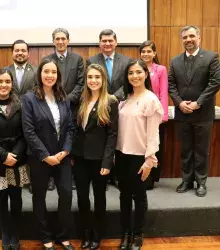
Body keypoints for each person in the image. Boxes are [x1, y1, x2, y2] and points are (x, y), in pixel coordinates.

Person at [22, 59, 75, 250]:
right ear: (40, 74)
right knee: (39, 197)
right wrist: (46, 156)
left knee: (67, 194)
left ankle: (63, 235)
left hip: (62, 156)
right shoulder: (29, 98)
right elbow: (28, 131)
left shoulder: (64, 97)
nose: (50, 75)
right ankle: (45, 237)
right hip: (39, 158)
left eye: (54, 72)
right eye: (46, 71)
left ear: (58, 75)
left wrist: (66, 150)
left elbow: (70, 128)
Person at [168, 25, 220, 197]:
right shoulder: (175, 61)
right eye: (185, 37)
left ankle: (201, 182)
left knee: (201, 150)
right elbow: (171, 85)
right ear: (182, 40)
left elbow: (215, 82)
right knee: (185, 149)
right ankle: (186, 180)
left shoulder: (211, 57)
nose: (188, 40)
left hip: (202, 113)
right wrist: (179, 103)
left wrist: (198, 103)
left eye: (191, 36)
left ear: (199, 38)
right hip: (182, 113)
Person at [115, 60, 163, 250]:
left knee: (139, 197)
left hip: (140, 157)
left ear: (146, 74)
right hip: (122, 155)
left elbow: (153, 134)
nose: (134, 76)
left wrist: (150, 160)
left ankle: (138, 235)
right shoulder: (125, 98)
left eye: (138, 72)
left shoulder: (151, 100)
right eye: (131, 73)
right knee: (124, 196)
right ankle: (126, 233)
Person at [72, 64, 118, 250]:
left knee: (99, 199)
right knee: (83, 198)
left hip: (99, 160)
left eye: (97, 77)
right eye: (90, 77)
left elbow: (113, 135)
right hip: (80, 159)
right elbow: (76, 130)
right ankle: (85, 234)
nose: (93, 80)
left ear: (103, 79)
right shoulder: (82, 100)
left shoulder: (111, 101)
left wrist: (108, 161)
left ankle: (97, 235)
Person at [87, 29, 130, 188]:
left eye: (110, 40)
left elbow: (127, 84)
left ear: (116, 42)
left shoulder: (126, 61)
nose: (107, 43)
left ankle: (116, 175)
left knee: (117, 139)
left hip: (120, 105)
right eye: (104, 41)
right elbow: (91, 82)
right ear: (100, 43)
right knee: (102, 139)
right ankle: (103, 175)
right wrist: (103, 99)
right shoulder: (91, 60)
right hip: (97, 107)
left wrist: (112, 99)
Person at [43, 28, 84, 191]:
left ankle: (70, 176)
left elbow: (81, 84)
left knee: (70, 143)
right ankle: (52, 177)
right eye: (57, 39)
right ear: (53, 41)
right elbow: (45, 82)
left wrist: (65, 101)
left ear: (68, 41)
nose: (60, 41)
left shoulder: (77, 59)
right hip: (50, 109)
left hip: (71, 109)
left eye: (63, 39)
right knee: (52, 141)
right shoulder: (47, 59)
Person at [0, 68, 29, 250]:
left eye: (7, 82)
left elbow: (26, 133)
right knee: (1, 200)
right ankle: (5, 233)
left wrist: (14, 155)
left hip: (17, 161)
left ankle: (16, 233)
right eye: (0, 82)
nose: (3, 85)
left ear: (12, 84)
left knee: (16, 199)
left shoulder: (20, 104)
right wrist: (3, 156)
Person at [8, 39, 37, 194]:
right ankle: (12, 183)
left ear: (28, 53)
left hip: (31, 116)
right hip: (10, 119)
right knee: (14, 149)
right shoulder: (5, 71)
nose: (20, 53)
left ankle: (32, 181)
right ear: (12, 52)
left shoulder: (36, 71)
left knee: (31, 150)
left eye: (23, 50)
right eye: (17, 50)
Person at [139, 40, 168, 189]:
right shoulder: (137, 68)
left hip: (155, 115)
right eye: (143, 51)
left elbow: (163, 92)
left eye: (149, 51)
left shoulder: (161, 69)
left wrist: (162, 116)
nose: (146, 54)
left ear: (154, 53)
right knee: (142, 146)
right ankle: (141, 175)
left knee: (154, 145)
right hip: (140, 114)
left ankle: (152, 177)